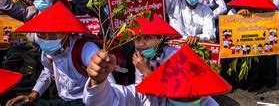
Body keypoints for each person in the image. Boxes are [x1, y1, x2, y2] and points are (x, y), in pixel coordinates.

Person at [6, 2, 114, 106]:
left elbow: (110, 84)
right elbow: (48, 72)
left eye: (53, 34)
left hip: (86, 101)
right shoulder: (48, 50)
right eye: (42, 34)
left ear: (66, 33)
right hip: (63, 98)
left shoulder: (86, 49)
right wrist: (33, 94)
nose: (47, 39)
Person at [84, 45, 229, 105]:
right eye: (179, 94)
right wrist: (98, 80)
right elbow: (109, 99)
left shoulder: (207, 102)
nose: (185, 94)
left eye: (191, 96)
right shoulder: (147, 97)